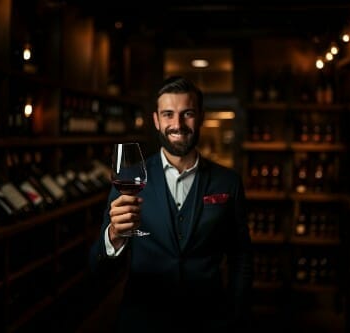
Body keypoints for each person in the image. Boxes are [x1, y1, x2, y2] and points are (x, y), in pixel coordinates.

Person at [89, 75, 254, 332]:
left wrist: (236, 316)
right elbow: (96, 268)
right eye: (168, 114)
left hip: (208, 320)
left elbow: (241, 256)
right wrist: (113, 236)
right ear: (156, 120)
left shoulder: (228, 182)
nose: (177, 124)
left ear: (200, 117)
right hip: (141, 322)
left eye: (187, 113)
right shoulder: (129, 178)